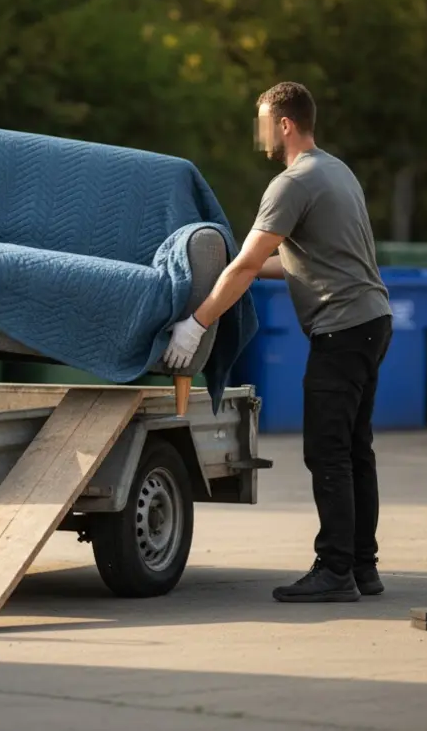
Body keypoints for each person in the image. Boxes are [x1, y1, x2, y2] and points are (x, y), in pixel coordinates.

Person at [163, 82, 392, 603]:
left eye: (262, 121)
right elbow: (292, 263)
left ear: (283, 125)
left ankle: (335, 571)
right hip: (372, 322)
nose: (258, 132)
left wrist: (197, 321)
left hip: (342, 328)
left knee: (328, 453)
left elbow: (247, 263)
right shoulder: (336, 171)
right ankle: (362, 566)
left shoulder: (291, 183)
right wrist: (225, 272)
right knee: (356, 451)